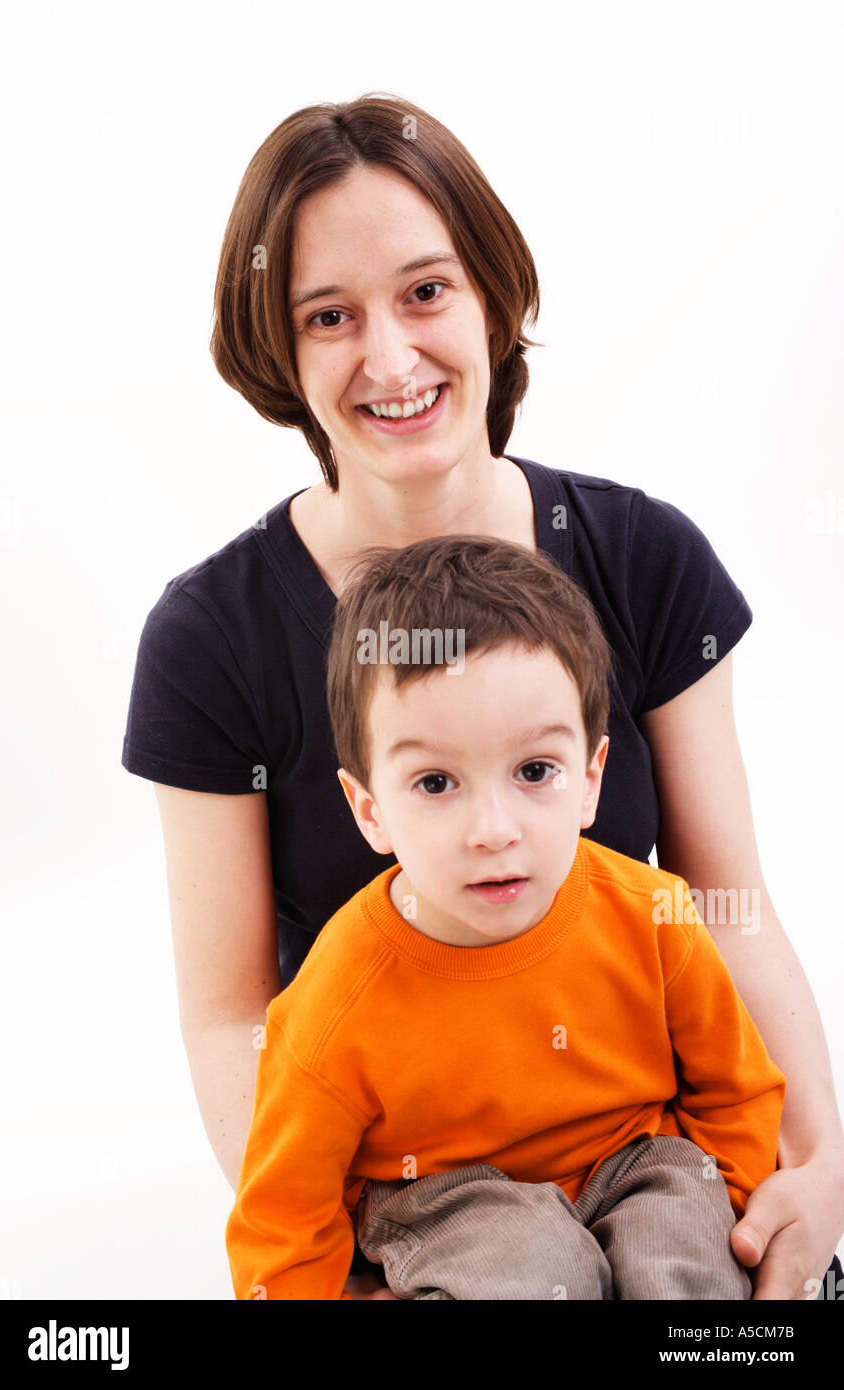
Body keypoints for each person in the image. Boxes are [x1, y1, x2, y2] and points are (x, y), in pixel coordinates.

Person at [120, 92, 844, 1299]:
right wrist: (337, 1265)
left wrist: (816, 1168)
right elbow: (231, 1015)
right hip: (416, 1196)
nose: (390, 357)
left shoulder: (639, 558)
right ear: (279, 351)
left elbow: (719, 904)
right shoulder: (212, 640)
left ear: (492, 298)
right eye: (328, 315)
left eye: (424, 290)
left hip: (647, 1152)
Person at [225, 533, 787, 1300]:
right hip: (443, 1197)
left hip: (637, 1160)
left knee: (685, 1259)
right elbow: (284, 1215)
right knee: (530, 1272)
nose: (493, 828)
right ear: (369, 810)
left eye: (534, 772)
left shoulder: (653, 916)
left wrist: (742, 1222)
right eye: (435, 783)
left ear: (590, 780)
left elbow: (735, 1088)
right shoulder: (336, 999)